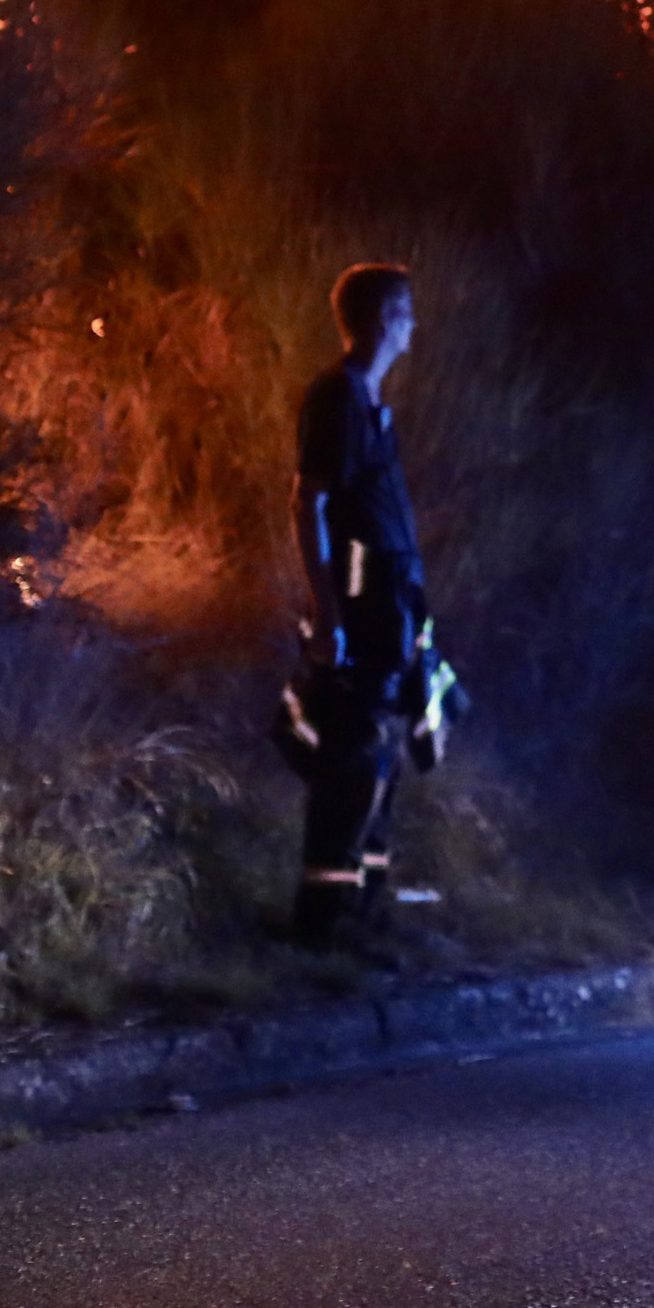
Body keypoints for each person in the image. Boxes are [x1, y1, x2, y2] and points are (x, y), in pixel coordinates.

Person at [293, 262, 434, 943]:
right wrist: (329, 611)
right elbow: (310, 502)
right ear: (382, 319)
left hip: (392, 601)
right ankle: (325, 919)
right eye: (406, 312)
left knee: (384, 754)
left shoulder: (369, 400)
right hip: (360, 600)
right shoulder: (337, 398)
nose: (414, 325)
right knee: (354, 755)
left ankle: (366, 911)